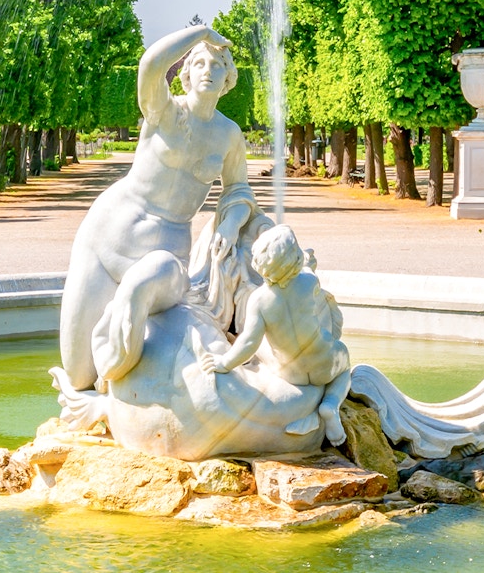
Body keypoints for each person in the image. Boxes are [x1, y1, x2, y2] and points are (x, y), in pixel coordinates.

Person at [58, 25, 260, 391]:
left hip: (168, 254)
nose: (207, 70)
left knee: (149, 283)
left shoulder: (229, 134)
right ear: (184, 74)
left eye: (217, 65)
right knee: (78, 376)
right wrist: (202, 33)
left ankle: (124, 384)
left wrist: (230, 225)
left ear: (229, 78)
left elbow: (239, 191)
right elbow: (150, 63)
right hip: (106, 240)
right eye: (199, 63)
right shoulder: (164, 111)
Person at [198, 225, 353, 446]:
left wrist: (223, 363)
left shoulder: (259, 300)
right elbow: (307, 270)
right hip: (324, 363)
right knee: (344, 365)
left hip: (292, 373)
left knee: (260, 344)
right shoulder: (309, 282)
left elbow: (249, 342)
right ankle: (331, 405)